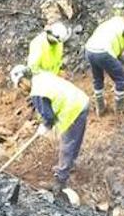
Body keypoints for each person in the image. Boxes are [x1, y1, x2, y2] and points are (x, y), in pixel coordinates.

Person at [9, 65, 90, 193]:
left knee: (67, 144)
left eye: (20, 85)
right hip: (81, 101)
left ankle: (60, 181)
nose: (21, 89)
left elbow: (49, 117)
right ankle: (70, 165)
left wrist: (45, 126)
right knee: (75, 138)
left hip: (72, 109)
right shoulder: (41, 76)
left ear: (23, 80)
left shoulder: (37, 92)